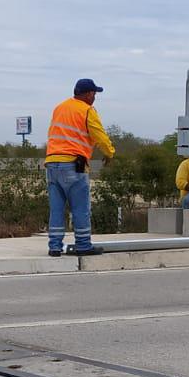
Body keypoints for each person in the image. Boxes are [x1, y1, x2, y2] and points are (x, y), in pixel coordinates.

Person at [45, 78, 116, 256]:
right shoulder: (87, 110)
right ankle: (83, 246)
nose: (95, 97)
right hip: (73, 164)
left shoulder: (59, 108)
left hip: (52, 163)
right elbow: (99, 135)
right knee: (80, 208)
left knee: (56, 209)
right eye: (94, 94)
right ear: (89, 94)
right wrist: (109, 153)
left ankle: (54, 247)